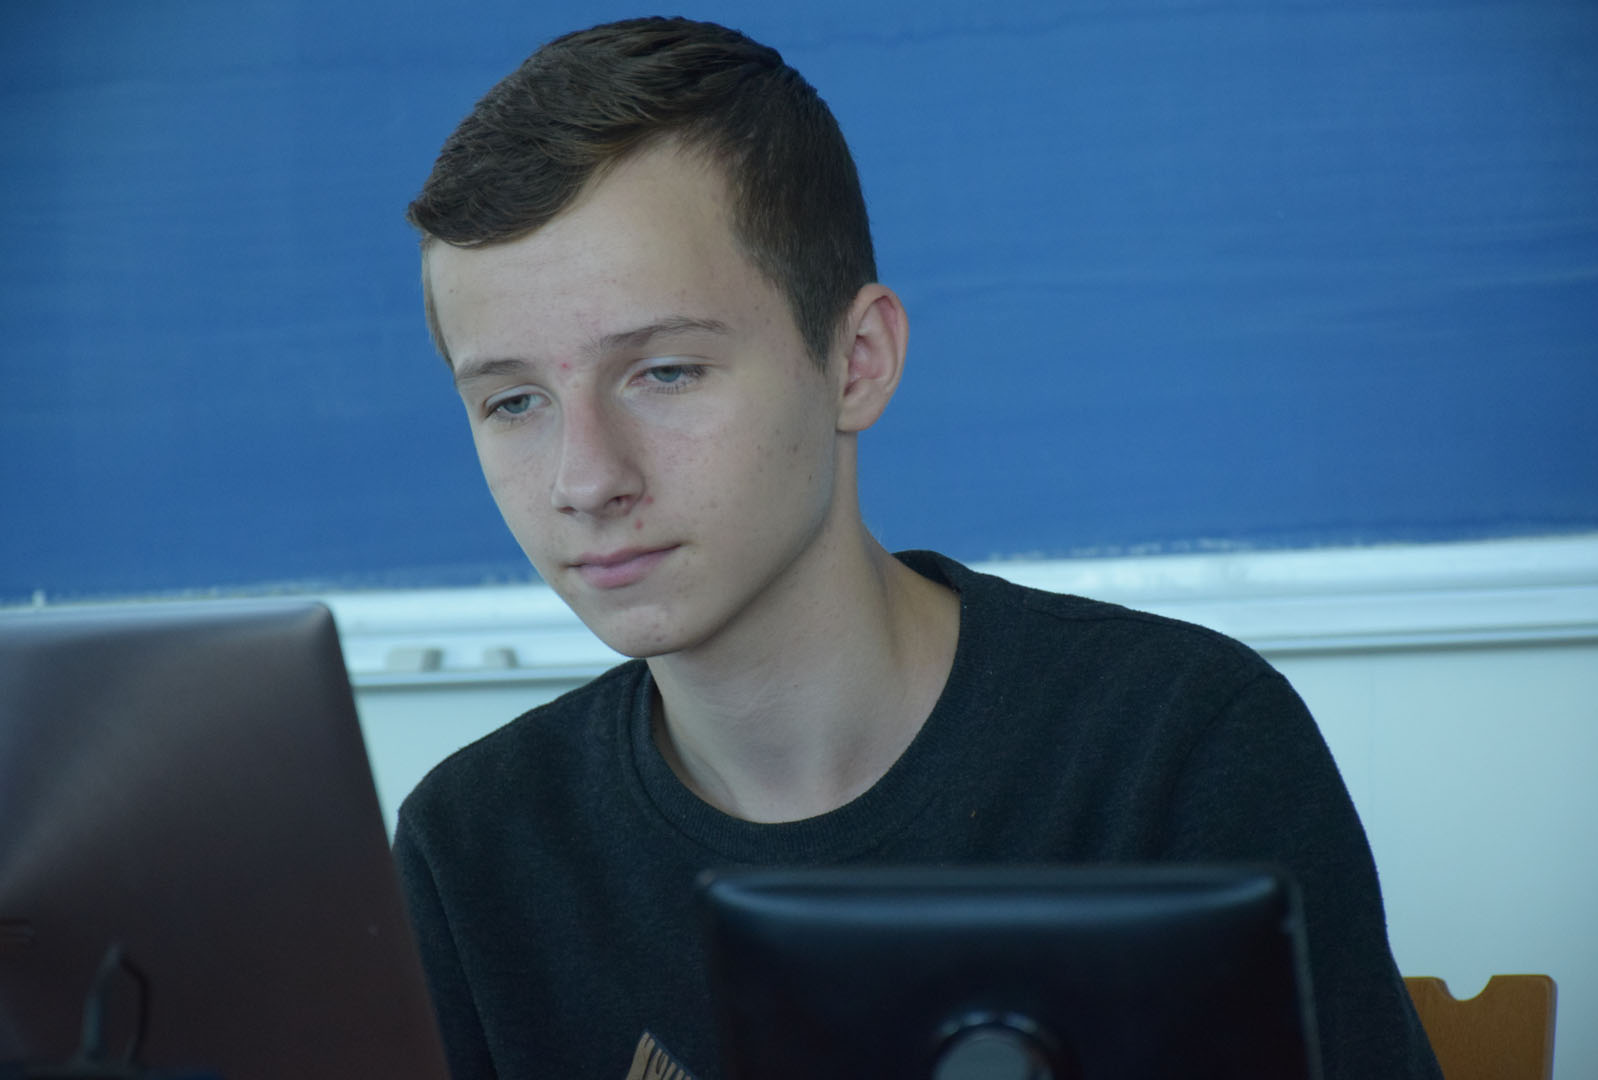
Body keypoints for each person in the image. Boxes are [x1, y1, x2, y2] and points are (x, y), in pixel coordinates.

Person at [393, 16, 1441, 1080]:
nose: (584, 480)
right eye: (513, 401)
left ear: (856, 362)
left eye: (665, 372)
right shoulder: (470, 846)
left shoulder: (1179, 747)